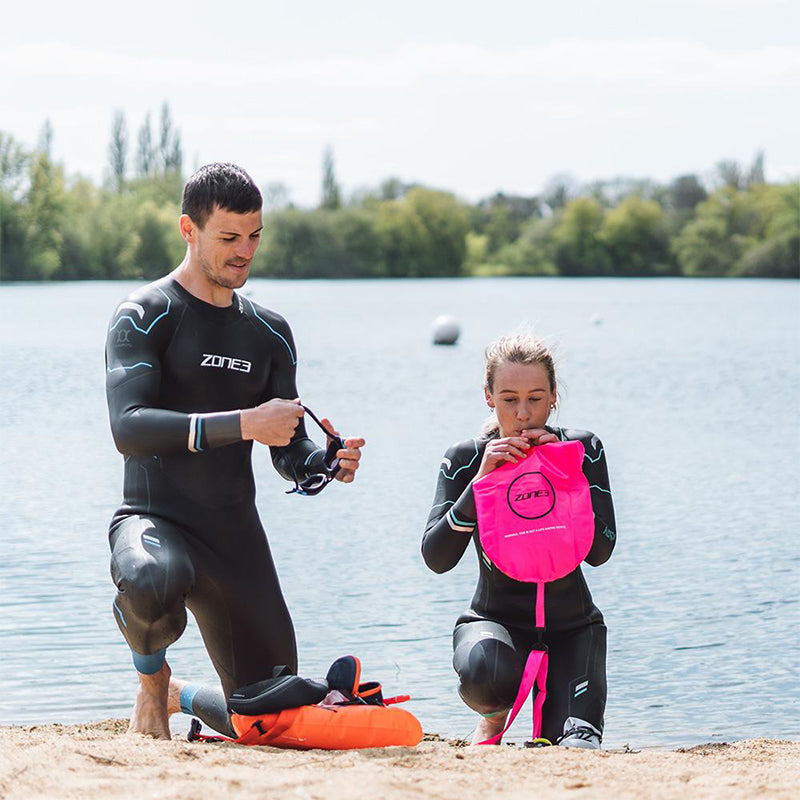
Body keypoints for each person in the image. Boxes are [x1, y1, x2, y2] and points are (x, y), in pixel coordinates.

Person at [105, 162, 364, 739]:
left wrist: (324, 462)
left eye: (254, 236)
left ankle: (186, 697)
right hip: (156, 520)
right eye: (228, 237)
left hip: (234, 537)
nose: (244, 251)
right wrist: (245, 422)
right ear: (188, 230)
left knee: (270, 716)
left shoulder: (269, 333)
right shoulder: (145, 315)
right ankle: (152, 681)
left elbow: (288, 448)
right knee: (150, 580)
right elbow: (130, 427)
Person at [421, 333, 616, 747]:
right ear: (488, 397)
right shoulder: (466, 458)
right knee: (485, 677)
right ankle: (493, 719)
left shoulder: (583, 449)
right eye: (509, 399)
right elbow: (436, 558)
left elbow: (601, 552)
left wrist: (569, 477)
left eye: (536, 398)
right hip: (494, 624)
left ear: (554, 397)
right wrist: (479, 487)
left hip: (574, 628)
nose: (524, 414)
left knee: (575, 746)